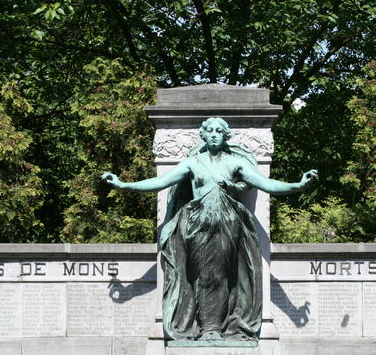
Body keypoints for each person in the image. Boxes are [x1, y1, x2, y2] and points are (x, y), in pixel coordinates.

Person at [103, 117, 316, 341]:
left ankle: (214, 328)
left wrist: (298, 185)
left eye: (219, 131)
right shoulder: (193, 163)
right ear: (203, 135)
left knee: (221, 276)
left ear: (225, 136)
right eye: (210, 131)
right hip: (197, 226)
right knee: (202, 276)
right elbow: (161, 182)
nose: (214, 134)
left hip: (227, 225)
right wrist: (123, 185)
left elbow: (267, 184)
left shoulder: (235, 163)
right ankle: (205, 327)